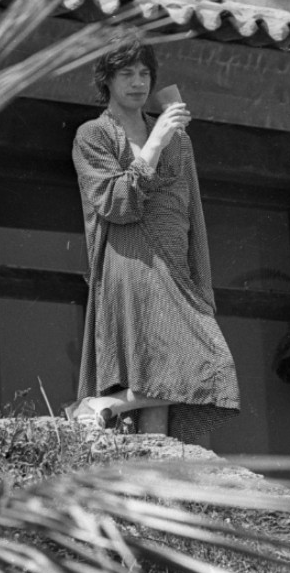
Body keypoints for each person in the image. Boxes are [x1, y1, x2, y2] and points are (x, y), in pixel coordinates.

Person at [67, 37, 240, 445]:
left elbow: (191, 211)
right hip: (130, 260)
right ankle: (112, 411)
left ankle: (116, 421)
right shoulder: (92, 135)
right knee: (205, 362)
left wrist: (203, 282)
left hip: (175, 264)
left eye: (144, 73)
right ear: (106, 80)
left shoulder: (179, 139)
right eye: (126, 73)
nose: (138, 82)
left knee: (163, 369)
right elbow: (115, 204)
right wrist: (156, 140)